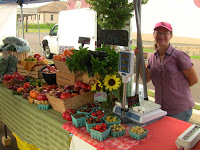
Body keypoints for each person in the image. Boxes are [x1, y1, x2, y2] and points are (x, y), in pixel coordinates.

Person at [134, 22, 198, 122]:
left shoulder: (179, 55)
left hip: (179, 109)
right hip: (160, 107)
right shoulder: (152, 58)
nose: (161, 36)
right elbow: (146, 78)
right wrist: (140, 58)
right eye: (158, 33)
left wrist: (176, 90)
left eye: (165, 33)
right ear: (154, 35)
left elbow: (194, 80)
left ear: (171, 36)